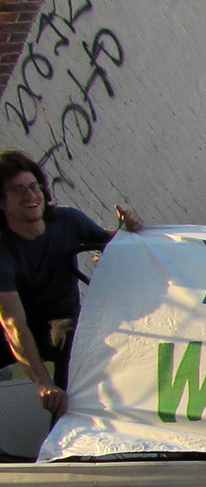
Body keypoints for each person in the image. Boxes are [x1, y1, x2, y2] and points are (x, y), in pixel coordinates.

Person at [0, 150, 144, 420]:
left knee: (72, 332)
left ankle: (69, 430)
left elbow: (107, 241)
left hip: (59, 324)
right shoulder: (3, 249)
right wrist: (43, 382)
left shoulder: (68, 220)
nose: (31, 196)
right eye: (18, 191)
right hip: (15, 326)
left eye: (34, 187)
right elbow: (13, 324)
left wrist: (129, 228)